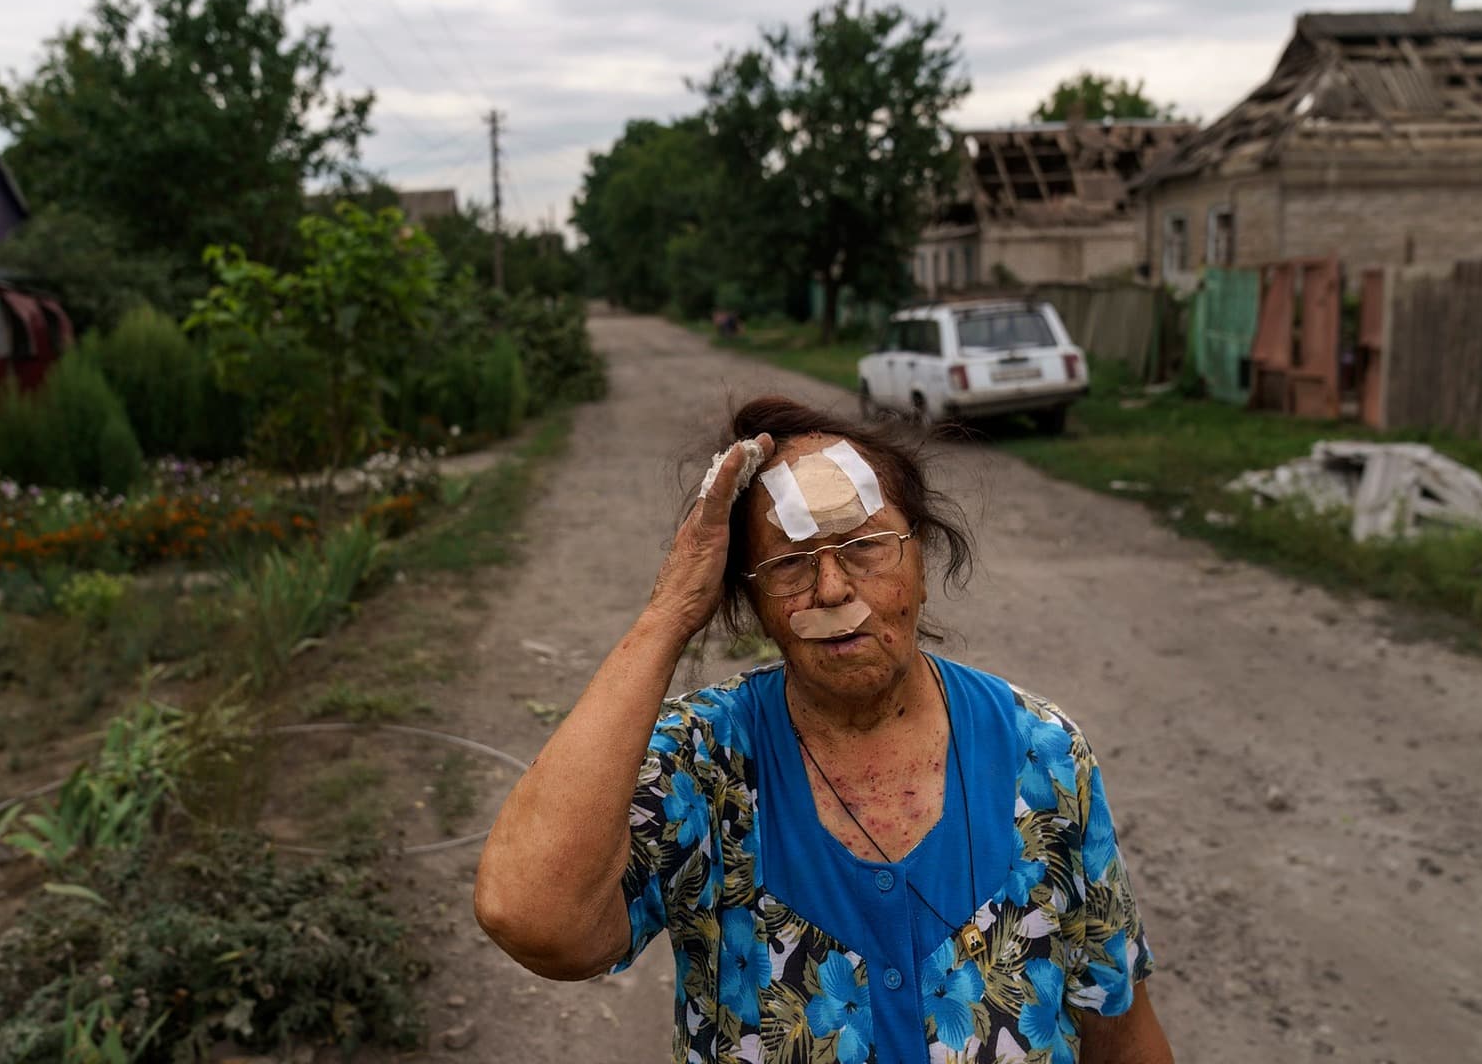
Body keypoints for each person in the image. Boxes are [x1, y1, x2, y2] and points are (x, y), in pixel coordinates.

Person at [476, 396, 1171, 1064]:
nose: (833, 589)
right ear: (748, 600)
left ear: (920, 559)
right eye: (790, 565)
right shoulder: (704, 759)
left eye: (866, 546)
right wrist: (671, 611)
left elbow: (1117, 1026)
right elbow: (532, 916)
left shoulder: (1041, 750)